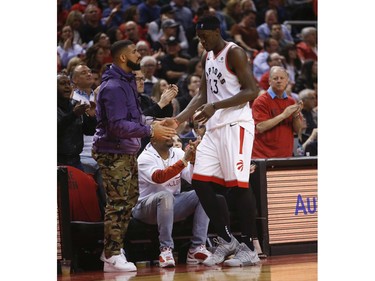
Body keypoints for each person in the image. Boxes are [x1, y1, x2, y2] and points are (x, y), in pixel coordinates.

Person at [171, 15, 260, 267]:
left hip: (237, 126)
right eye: (198, 38)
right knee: (200, 181)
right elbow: (201, 94)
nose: (201, 41)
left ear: (217, 31)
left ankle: (249, 245)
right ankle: (226, 238)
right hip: (214, 128)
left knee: (240, 187)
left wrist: (215, 106)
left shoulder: (235, 53)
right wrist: (177, 120)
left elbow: (252, 91)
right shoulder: (206, 56)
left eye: (205, 36)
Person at [92, 39, 177, 272]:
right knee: (118, 203)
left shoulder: (126, 83)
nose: (139, 55)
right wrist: (151, 130)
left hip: (127, 151)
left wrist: (156, 122)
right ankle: (111, 255)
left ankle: (113, 248)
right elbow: (117, 126)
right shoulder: (113, 88)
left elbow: (134, 119)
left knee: (128, 201)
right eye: (134, 52)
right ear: (122, 57)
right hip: (112, 151)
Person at [132, 136, 212, 267]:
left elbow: (193, 180)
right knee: (165, 196)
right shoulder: (145, 157)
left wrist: (194, 160)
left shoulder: (178, 153)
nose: (170, 137)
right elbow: (159, 177)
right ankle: (166, 250)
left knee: (203, 193)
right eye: (165, 134)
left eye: (172, 134)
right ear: (154, 140)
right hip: (144, 208)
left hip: (172, 204)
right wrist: (185, 160)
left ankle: (197, 248)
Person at [251, 66, 304, 159]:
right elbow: (260, 127)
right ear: (269, 81)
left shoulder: (291, 101)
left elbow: (298, 130)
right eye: (275, 78)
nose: (279, 81)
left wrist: (295, 115)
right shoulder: (261, 101)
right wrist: (284, 115)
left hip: (286, 156)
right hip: (263, 156)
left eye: (282, 78)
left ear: (287, 81)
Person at [57, 73, 96, 170]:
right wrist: (73, 115)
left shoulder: (76, 104)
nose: (67, 87)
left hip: (76, 160)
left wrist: (91, 117)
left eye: (69, 84)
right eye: (62, 84)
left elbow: (89, 131)